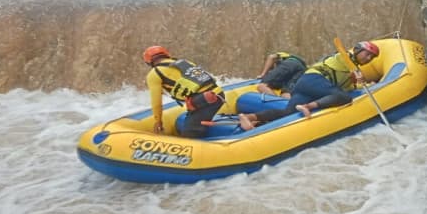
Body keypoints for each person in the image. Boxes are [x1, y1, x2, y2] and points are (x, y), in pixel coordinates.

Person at [237, 42, 382, 129]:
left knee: (289, 113)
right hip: (313, 79)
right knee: (343, 97)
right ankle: (308, 107)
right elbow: (344, 58)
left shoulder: (351, 72)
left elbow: (347, 88)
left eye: (371, 57)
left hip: (308, 87)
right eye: (366, 54)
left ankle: (249, 117)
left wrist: (360, 84)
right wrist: (356, 73)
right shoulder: (343, 57)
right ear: (357, 50)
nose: (368, 58)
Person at [143, 46, 225, 138]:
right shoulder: (185, 62)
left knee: (189, 136)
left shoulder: (154, 73)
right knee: (195, 123)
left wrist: (158, 121)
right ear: (167, 55)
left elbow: (156, 102)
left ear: (149, 62)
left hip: (204, 100)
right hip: (218, 94)